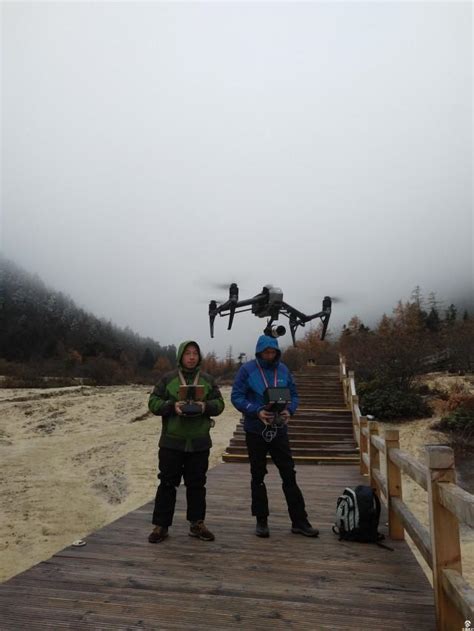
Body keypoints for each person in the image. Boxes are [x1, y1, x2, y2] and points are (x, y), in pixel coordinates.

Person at [231, 334, 319, 538]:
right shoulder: (247, 369)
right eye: (266, 352)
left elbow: (294, 395)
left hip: (279, 430)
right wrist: (256, 411)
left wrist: (291, 410)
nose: (270, 355)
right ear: (259, 352)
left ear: (277, 352)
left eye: (273, 352)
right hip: (255, 430)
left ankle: (299, 521)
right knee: (258, 476)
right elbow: (236, 396)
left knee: (289, 474)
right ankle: (261, 521)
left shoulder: (284, 369)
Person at [148, 340, 225, 543]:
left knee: (197, 484)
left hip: (199, 442)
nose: (191, 357)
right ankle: (161, 526)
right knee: (167, 483)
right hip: (172, 442)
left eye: (195, 353)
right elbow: (153, 402)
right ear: (181, 356)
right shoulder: (168, 379)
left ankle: (196, 524)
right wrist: (172, 406)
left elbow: (219, 404)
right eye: (187, 353)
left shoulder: (208, 379)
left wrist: (204, 407)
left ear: (199, 357)